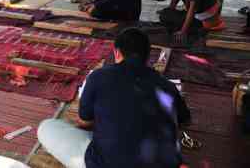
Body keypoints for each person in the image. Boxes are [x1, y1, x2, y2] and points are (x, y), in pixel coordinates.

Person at [37, 28, 191, 168]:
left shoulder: (98, 76)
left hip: (105, 162)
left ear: (117, 53)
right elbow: (184, 120)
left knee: (47, 127)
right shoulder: (167, 86)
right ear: (147, 56)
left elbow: (85, 118)